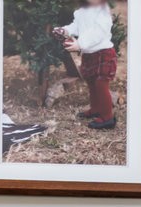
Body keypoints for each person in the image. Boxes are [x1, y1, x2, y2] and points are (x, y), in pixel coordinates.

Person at [54, 0, 118, 130]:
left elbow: (98, 33)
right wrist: (65, 31)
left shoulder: (102, 12)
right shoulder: (81, 12)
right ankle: (96, 109)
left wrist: (80, 43)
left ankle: (107, 117)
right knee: (91, 83)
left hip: (104, 53)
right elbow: (76, 27)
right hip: (89, 54)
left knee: (101, 83)